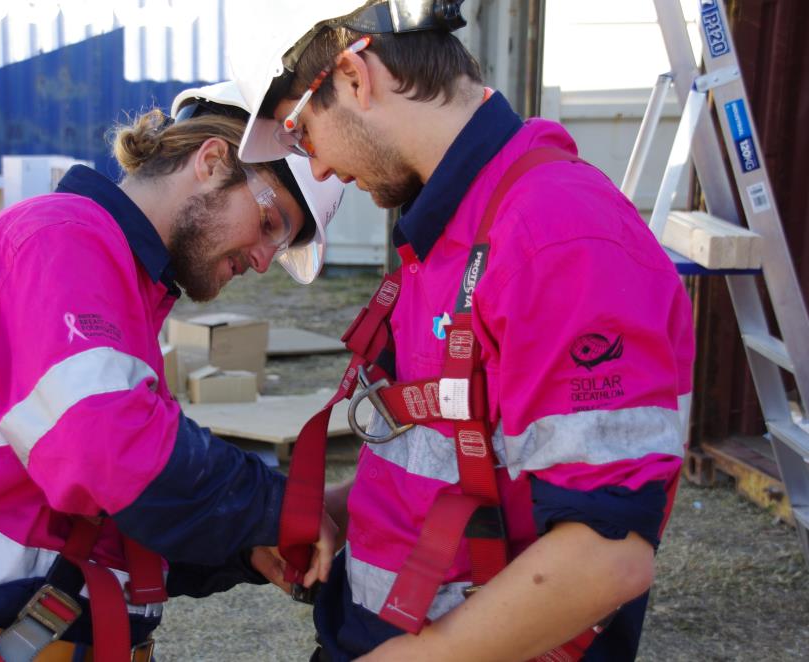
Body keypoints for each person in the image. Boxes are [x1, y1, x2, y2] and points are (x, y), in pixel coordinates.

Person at [228, 1, 696, 660]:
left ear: (356, 76)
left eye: (302, 135)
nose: (322, 170)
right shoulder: (456, 230)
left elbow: (604, 556)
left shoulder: (556, 234)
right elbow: (456, 456)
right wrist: (336, 508)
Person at [0, 82, 342, 662]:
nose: (265, 260)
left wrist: (244, 544)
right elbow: (106, 451)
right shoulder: (61, 240)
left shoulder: (119, 276)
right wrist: (273, 505)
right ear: (214, 161)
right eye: (271, 224)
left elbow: (99, 510)